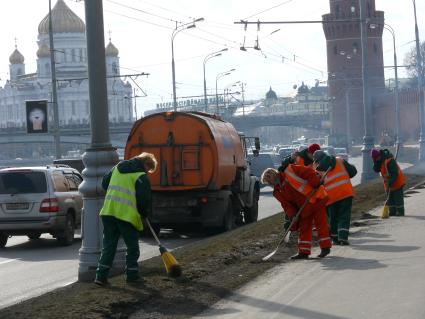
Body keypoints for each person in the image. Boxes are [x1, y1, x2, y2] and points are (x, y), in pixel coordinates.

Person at [94, 152, 157, 286]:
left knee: (109, 246)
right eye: (149, 169)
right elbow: (143, 200)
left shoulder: (117, 167)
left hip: (109, 212)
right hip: (126, 216)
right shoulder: (141, 177)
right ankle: (132, 275)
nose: (148, 172)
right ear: (145, 164)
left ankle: (100, 276)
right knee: (133, 247)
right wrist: (144, 213)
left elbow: (105, 184)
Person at [261, 160, 332, 259]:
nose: (270, 184)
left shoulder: (290, 170)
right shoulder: (277, 192)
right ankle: (304, 252)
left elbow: (308, 172)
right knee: (304, 228)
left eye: (269, 181)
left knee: (321, 224)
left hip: (316, 199)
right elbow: (287, 206)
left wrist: (315, 182)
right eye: (268, 183)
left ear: (273, 175)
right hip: (304, 207)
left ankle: (325, 248)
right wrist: (293, 216)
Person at [313, 150, 357, 245]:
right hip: (345, 193)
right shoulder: (339, 160)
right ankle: (343, 237)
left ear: (316, 160)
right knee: (344, 215)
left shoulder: (317, 170)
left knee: (333, 218)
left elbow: (315, 185)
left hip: (330, 197)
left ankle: (335, 239)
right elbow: (353, 171)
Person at [371, 148, 405, 216]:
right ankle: (392, 212)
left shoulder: (389, 160)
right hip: (388, 184)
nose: (376, 160)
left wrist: (391, 182)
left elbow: (394, 173)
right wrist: (375, 162)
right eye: (374, 159)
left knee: (398, 199)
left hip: (397, 181)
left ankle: (400, 212)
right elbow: (376, 170)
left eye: (376, 158)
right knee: (390, 199)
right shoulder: (379, 161)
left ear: (379, 155)